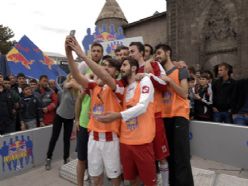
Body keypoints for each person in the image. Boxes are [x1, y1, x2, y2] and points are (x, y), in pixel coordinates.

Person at [66, 37, 123, 186]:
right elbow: (76, 75)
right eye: (103, 65)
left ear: (116, 73)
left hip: (111, 139)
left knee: (114, 177)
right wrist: (69, 53)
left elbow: (104, 76)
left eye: (109, 66)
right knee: (95, 177)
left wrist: (83, 55)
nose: (105, 68)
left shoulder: (118, 87)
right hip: (93, 138)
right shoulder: (93, 86)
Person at [96, 57, 157, 186]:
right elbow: (106, 79)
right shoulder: (124, 87)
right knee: (131, 180)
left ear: (134, 68)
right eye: (121, 66)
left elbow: (142, 107)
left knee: (149, 182)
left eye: (124, 65)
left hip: (142, 142)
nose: (121, 68)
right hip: (125, 142)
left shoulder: (145, 81)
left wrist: (117, 116)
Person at [129, 42, 170, 186]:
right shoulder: (130, 69)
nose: (130, 54)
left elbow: (165, 85)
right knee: (144, 157)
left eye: (132, 51)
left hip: (154, 116)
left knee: (161, 155)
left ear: (141, 53)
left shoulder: (153, 65)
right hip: (138, 118)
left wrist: (147, 75)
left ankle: (165, 184)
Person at [154, 44, 194, 186]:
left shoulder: (181, 70)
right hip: (165, 117)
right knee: (169, 156)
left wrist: (170, 80)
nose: (157, 56)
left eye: (159, 53)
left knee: (181, 157)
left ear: (168, 53)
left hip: (179, 115)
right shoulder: (158, 75)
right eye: (156, 54)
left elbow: (184, 93)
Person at [76, 42, 103, 186]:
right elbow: (79, 100)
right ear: (90, 53)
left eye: (99, 51)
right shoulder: (85, 74)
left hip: (100, 125)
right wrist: (76, 120)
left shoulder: (106, 73)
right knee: (81, 159)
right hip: (84, 123)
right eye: (94, 51)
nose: (96, 53)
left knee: (97, 161)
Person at [45, 74, 80, 170]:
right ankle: (48, 158)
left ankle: (66, 158)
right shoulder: (66, 86)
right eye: (72, 78)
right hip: (59, 116)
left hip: (70, 118)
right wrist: (73, 79)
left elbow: (78, 108)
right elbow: (68, 84)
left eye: (75, 78)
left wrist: (76, 121)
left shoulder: (78, 92)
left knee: (66, 140)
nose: (74, 80)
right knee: (54, 138)